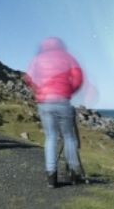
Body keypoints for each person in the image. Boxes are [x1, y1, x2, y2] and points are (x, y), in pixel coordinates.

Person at [23, 37, 84, 188]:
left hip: (45, 103)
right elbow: (78, 78)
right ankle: (74, 173)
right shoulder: (68, 57)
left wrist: (38, 90)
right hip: (63, 101)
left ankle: (51, 176)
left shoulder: (37, 59)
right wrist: (69, 90)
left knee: (50, 137)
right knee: (69, 137)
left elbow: (28, 78)